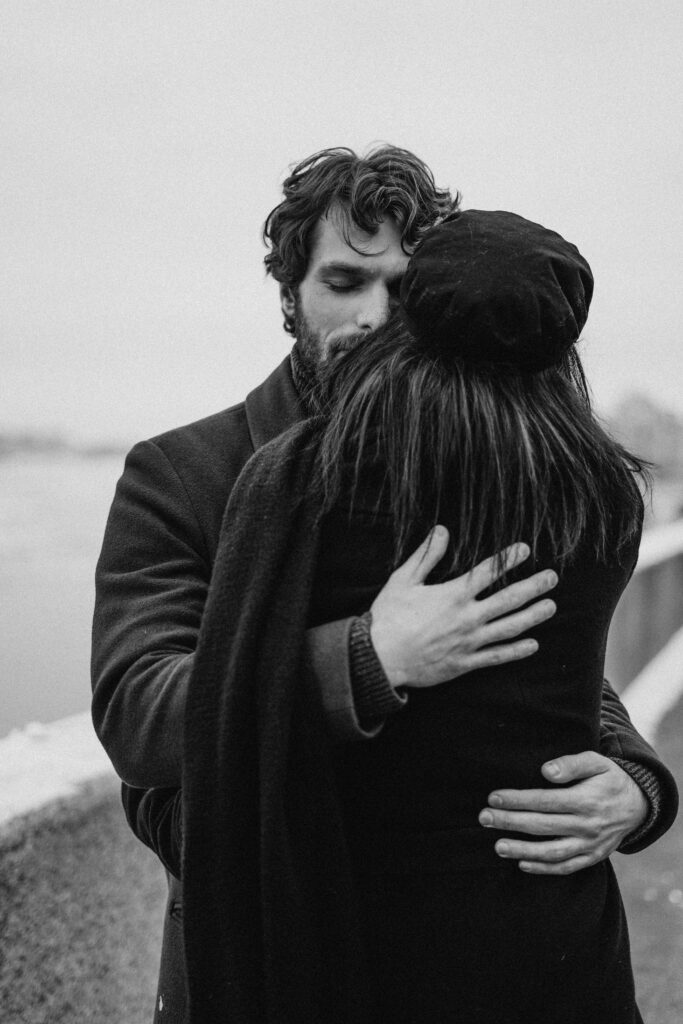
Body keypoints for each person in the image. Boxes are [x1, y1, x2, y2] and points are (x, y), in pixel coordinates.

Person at [90, 147, 677, 1023]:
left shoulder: (491, 457)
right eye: (342, 281)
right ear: (288, 294)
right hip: (266, 959)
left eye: (402, 290)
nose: (373, 316)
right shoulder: (187, 472)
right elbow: (139, 713)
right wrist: (369, 657)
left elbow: (537, 652)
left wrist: (635, 781)